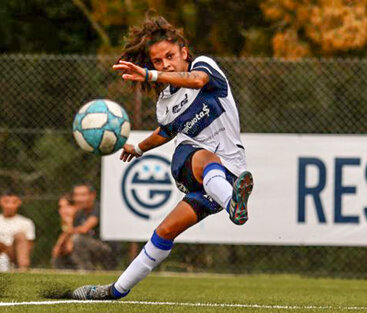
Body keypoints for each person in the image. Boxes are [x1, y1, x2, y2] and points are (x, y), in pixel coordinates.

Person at [72, 12, 253, 300]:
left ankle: (115, 290)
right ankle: (234, 203)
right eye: (157, 61)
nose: (165, 63)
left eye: (170, 56)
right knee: (199, 154)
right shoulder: (165, 103)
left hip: (228, 175)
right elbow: (166, 131)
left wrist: (151, 75)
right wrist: (139, 147)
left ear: (184, 51)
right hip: (192, 165)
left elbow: (195, 81)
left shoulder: (203, 66)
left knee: (165, 231)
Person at [67, 183, 116, 270]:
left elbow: (84, 229)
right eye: (76, 195)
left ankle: (86, 269)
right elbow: (71, 232)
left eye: (83, 195)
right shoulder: (79, 213)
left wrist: (70, 218)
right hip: (90, 247)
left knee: (77, 239)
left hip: (107, 249)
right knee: (69, 244)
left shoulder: (98, 208)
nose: (79, 199)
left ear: (92, 195)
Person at [0, 189, 35, 272]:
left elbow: (29, 246)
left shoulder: (26, 223)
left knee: (20, 236)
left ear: (19, 202)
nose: (10, 206)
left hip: (14, 254)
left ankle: (23, 270)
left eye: (13, 202)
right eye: (7, 202)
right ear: (1, 201)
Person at [51, 193, 77, 269]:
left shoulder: (80, 217)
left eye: (67, 206)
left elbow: (71, 232)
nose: (63, 211)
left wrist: (59, 245)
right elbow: (67, 232)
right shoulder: (65, 222)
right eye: (61, 207)